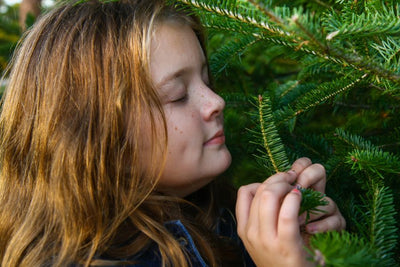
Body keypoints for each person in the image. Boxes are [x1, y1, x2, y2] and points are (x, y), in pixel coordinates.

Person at [0, 0, 345, 266]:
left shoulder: (218, 224)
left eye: (207, 80)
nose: (216, 101)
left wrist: (300, 245)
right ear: (96, 140)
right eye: (178, 96)